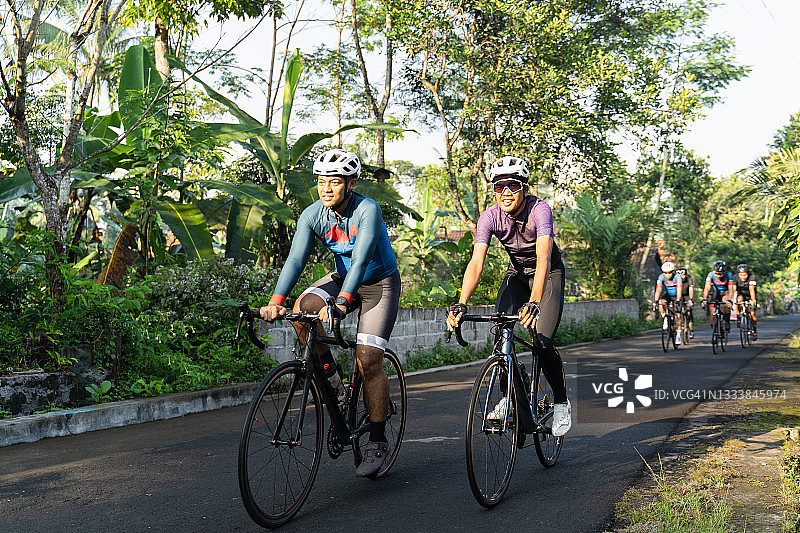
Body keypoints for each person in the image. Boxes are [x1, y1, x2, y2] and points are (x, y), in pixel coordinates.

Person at [258, 148, 400, 477]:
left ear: (350, 184)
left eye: (334, 182)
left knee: (368, 360)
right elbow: (295, 260)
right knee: (303, 310)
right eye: (322, 181)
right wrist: (276, 300)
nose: (326, 188)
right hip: (343, 278)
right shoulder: (312, 214)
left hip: (379, 284)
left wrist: (340, 302)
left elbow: (362, 259)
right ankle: (335, 383)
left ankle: (377, 440)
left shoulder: (368, 209)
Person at [445, 156, 571, 436]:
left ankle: (562, 402)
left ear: (525, 188)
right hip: (516, 275)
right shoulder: (489, 216)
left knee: (542, 342)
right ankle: (509, 395)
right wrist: (462, 302)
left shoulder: (540, 210)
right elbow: (476, 262)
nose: (505, 193)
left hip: (548, 274)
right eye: (499, 187)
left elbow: (544, 257)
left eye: (512, 186)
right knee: (502, 335)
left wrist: (535, 302)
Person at [654, 261, 684, 344]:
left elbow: (679, 289)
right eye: (666, 273)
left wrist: (678, 299)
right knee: (660, 302)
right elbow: (659, 289)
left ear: (673, 271)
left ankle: (678, 334)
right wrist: (655, 300)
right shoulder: (661, 277)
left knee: (678, 315)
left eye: (670, 272)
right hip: (668, 295)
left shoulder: (677, 277)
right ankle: (665, 317)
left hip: (676, 296)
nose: (668, 275)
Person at [702, 260, 734, 332]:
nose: (718, 276)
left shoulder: (729, 274)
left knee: (725, 303)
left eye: (721, 274)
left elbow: (731, 287)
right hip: (716, 292)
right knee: (712, 311)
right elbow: (707, 287)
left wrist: (730, 299)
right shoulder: (711, 274)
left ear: (724, 272)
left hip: (725, 292)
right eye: (717, 274)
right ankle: (714, 329)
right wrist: (704, 299)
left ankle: (726, 321)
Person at [733, 263, 758, 340]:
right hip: (741, 294)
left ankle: (754, 330)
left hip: (750, 295)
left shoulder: (752, 277)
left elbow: (751, 289)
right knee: (738, 300)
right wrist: (732, 299)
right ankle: (738, 316)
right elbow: (734, 289)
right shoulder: (735, 277)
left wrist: (753, 299)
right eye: (741, 275)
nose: (743, 277)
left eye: (745, 275)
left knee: (752, 313)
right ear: (738, 274)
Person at [676, 266, 695, 339]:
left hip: (687, 295)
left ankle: (691, 330)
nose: (681, 277)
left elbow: (691, 288)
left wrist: (690, 299)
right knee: (677, 311)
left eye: (683, 275)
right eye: (679, 275)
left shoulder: (689, 278)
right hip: (678, 296)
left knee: (689, 311)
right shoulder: (675, 279)